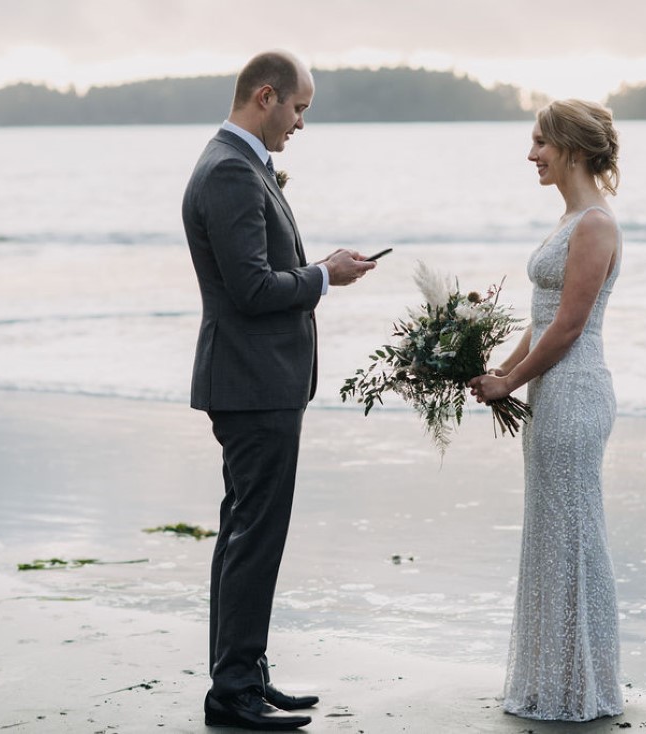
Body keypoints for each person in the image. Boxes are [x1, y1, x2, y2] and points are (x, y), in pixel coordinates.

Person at [181, 50, 376, 731]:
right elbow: (254, 288)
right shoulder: (231, 172)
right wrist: (326, 275)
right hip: (253, 384)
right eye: (299, 109)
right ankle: (233, 690)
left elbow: (257, 274)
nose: (301, 123)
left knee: (243, 531)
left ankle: (244, 675)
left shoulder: (235, 164)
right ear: (265, 97)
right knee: (254, 536)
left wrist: (320, 268)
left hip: (252, 381)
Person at [469, 99, 624, 722]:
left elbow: (568, 329)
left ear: (574, 149)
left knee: (574, 534)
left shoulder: (595, 225)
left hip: (576, 391)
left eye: (541, 143)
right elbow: (541, 323)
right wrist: (503, 372)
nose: (531, 155)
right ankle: (553, 679)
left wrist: (510, 385)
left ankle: (582, 686)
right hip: (548, 389)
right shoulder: (568, 219)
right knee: (550, 533)